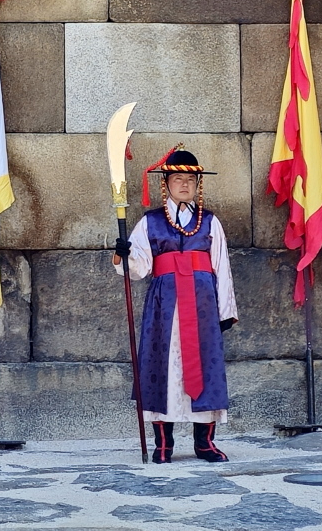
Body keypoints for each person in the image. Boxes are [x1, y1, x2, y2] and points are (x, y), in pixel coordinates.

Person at [113, 145, 238, 464]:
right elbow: (139, 267)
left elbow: (221, 267)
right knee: (162, 367)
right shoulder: (150, 222)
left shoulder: (210, 222)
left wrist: (225, 311)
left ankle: (204, 443)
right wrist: (123, 255)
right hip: (164, 306)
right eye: (177, 178)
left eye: (189, 180)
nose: (184, 184)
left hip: (203, 304)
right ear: (165, 183)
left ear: (198, 185)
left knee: (205, 366)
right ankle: (163, 443)